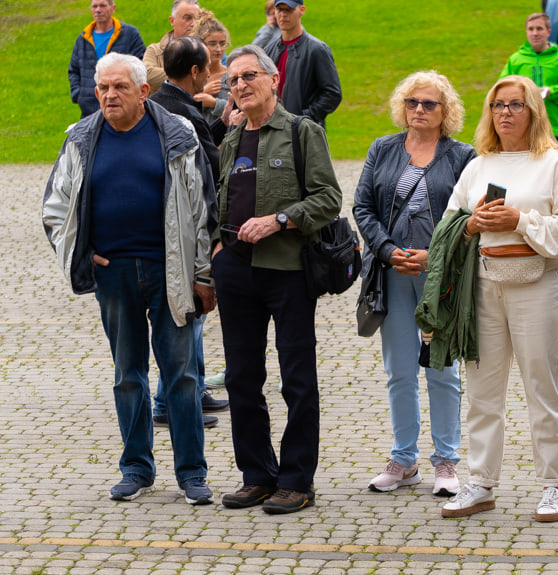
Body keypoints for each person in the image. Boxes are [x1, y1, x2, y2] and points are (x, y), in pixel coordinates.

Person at [42, 53, 217, 505]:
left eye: (119, 87)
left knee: (181, 375)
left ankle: (192, 474)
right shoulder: (81, 138)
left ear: (143, 91)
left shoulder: (178, 135)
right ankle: (136, 469)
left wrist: (203, 275)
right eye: (102, 87)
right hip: (113, 273)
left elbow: (202, 210)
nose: (108, 95)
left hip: (170, 271)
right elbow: (55, 208)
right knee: (127, 375)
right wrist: (82, 253)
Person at [439, 75, 558, 522]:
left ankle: (551, 487)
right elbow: (449, 223)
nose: (505, 113)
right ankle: (481, 483)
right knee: (482, 392)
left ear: (533, 112)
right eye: (498, 105)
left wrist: (521, 219)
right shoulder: (479, 164)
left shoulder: (553, 163)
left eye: (515, 105)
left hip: (536, 287)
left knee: (543, 389)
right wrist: (472, 224)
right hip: (484, 285)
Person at [213, 45, 342, 514]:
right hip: (235, 272)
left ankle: (297, 480)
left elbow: (329, 198)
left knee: (297, 380)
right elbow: (220, 200)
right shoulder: (229, 139)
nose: (240, 85)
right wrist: (215, 248)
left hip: (287, 272)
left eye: (249, 75)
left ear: (273, 81)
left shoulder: (300, 131)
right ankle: (257, 475)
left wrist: (280, 219)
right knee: (242, 379)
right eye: (233, 80)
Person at [352, 71, 476, 498]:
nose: (419, 110)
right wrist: (386, 250)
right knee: (399, 371)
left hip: (438, 276)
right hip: (390, 272)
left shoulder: (463, 155)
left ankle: (446, 461)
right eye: (412, 103)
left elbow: (468, 217)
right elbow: (362, 205)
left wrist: (433, 255)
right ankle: (403, 460)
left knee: (442, 369)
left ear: (447, 111)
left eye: (429, 104)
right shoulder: (382, 148)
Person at [148, 36, 230, 429]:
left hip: (163, 230)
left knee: (184, 318)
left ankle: (190, 392)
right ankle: (167, 401)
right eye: (207, 67)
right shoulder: (182, 109)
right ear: (196, 71)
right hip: (183, 234)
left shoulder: (157, 103)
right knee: (186, 317)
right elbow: (209, 168)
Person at [499, 12, 558, 158]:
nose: (535, 33)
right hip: (522, 132)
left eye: (539, 29)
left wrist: (552, 91)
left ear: (548, 31)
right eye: (531, 29)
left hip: (553, 131)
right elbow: (500, 92)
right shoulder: (516, 60)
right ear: (526, 32)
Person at [264, 0, 342, 128]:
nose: (283, 14)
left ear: (302, 10)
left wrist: (304, 118)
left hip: (304, 133)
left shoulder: (317, 49)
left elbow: (332, 94)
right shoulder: (269, 50)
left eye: (288, 10)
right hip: (273, 130)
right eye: (279, 10)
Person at [68, 0, 145, 118]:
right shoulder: (83, 38)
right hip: (89, 110)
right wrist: (79, 95)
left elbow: (141, 66)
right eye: (94, 6)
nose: (98, 10)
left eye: (102, 5)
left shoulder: (130, 34)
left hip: (120, 106)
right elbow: (73, 70)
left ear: (113, 8)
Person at [143, 0, 200, 95]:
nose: (193, 23)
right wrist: (187, 74)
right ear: (172, 21)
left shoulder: (209, 49)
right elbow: (147, 74)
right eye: (187, 18)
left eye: (197, 18)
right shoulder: (155, 50)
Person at [192, 10, 231, 125]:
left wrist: (214, 103)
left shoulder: (232, 75)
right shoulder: (190, 75)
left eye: (223, 43)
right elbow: (178, 105)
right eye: (213, 44)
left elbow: (241, 109)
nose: (219, 49)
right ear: (200, 44)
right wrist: (203, 92)